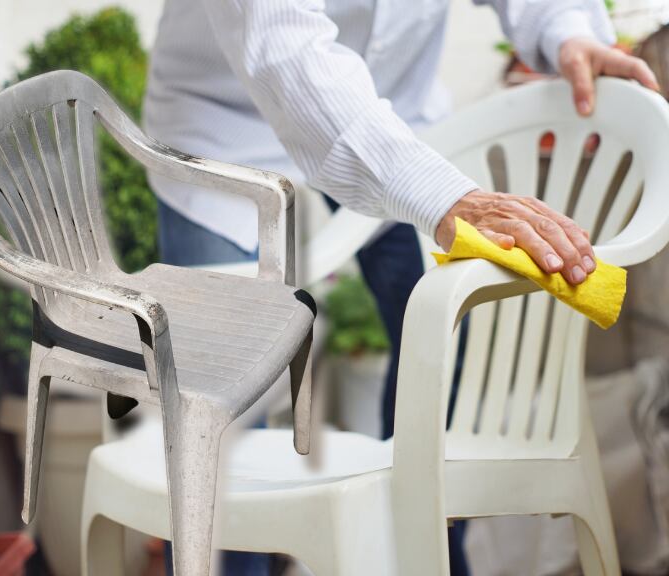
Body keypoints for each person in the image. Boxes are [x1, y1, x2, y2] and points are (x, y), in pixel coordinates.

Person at [143, 2, 659, 574]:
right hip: (226, 123)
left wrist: (567, 31)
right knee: (223, 411)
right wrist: (442, 197)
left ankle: (420, 556)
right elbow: (285, 47)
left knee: (444, 361)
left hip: (394, 115)